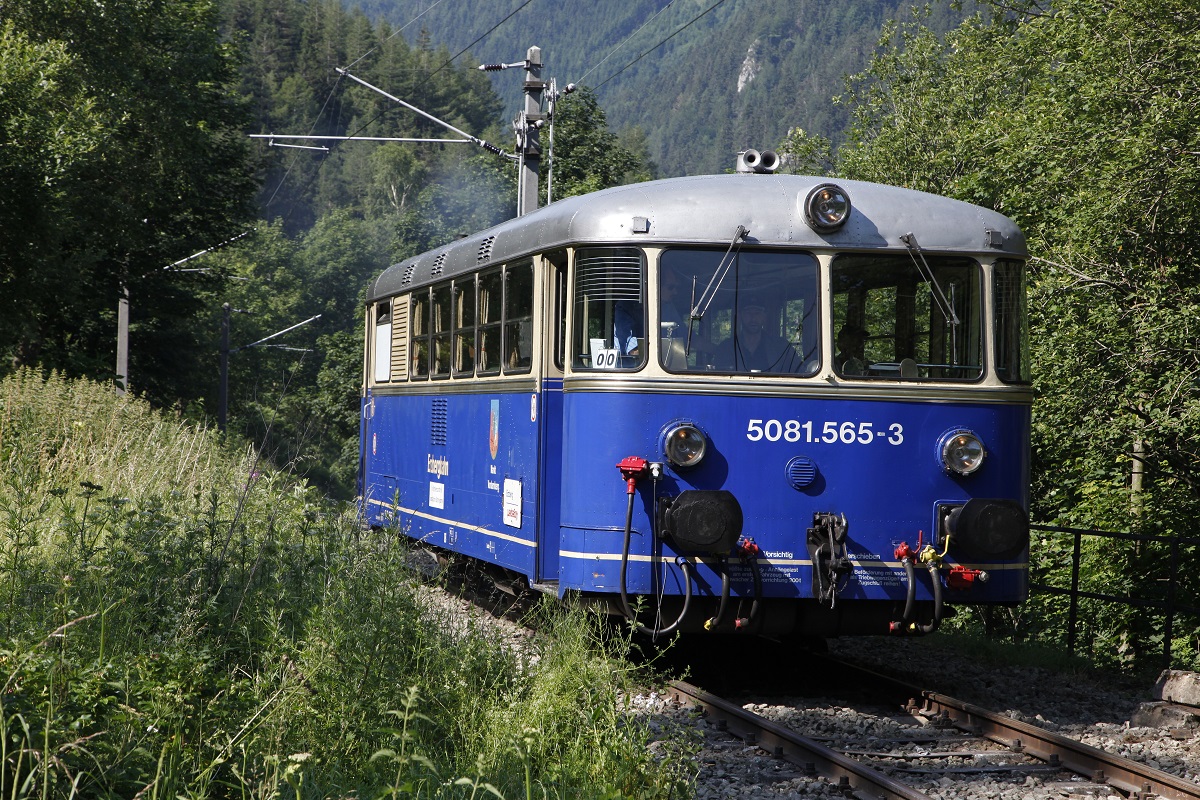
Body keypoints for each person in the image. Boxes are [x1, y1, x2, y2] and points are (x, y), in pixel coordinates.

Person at [734, 301, 800, 372]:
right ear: (740, 316)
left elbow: (800, 371)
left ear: (764, 316)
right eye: (748, 313)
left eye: (757, 313)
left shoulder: (781, 347)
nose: (753, 318)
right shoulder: (727, 348)